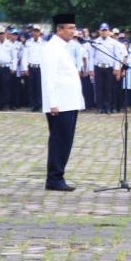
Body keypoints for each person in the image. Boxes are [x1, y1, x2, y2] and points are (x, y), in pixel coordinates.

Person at [41, 13, 85, 192]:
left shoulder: (64, 47)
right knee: (59, 142)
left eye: (74, 28)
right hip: (59, 104)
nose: (73, 32)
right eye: (70, 28)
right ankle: (54, 178)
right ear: (59, 29)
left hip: (69, 102)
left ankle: (57, 176)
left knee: (65, 141)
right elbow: (48, 78)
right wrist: (52, 103)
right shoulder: (52, 48)